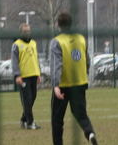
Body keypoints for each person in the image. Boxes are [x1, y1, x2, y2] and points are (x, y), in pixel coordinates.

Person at [50, 11, 99, 145]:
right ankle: (90, 133)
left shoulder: (57, 42)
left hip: (64, 85)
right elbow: (86, 60)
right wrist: (85, 74)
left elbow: (57, 65)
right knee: (81, 114)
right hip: (80, 83)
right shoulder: (81, 38)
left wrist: (55, 85)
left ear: (58, 25)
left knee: (57, 119)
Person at [13, 23, 42, 129]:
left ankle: (23, 119)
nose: (27, 33)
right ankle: (30, 122)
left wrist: (38, 73)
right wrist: (17, 75)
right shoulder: (16, 44)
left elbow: (36, 59)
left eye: (28, 31)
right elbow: (14, 62)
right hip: (23, 76)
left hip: (33, 74)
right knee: (27, 99)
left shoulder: (33, 43)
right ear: (21, 32)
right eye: (25, 31)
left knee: (33, 97)